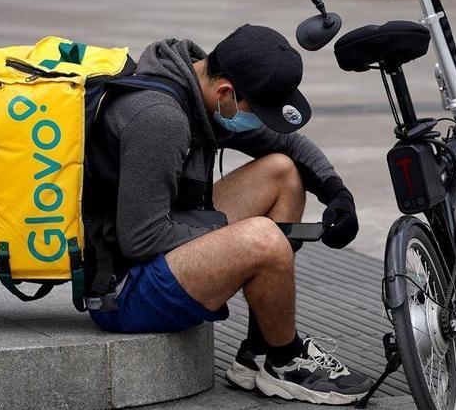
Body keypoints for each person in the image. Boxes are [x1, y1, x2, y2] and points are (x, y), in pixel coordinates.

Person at [82, 24, 373, 405]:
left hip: (161, 258)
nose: (261, 122)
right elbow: (141, 237)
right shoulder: (160, 118)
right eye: (259, 111)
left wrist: (337, 192)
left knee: (283, 172)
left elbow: (287, 143)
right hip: (124, 292)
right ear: (225, 93)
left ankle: (260, 352)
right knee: (263, 239)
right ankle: (286, 359)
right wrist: (231, 234)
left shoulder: (202, 92)